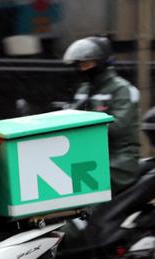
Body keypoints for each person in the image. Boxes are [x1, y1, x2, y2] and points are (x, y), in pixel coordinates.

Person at [62, 36, 140, 194]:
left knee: (83, 191)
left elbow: (117, 126)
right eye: (80, 65)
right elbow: (72, 116)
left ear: (101, 63)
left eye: (87, 64)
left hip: (119, 160)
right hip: (91, 157)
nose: (83, 69)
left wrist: (84, 121)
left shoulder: (122, 89)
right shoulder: (84, 89)